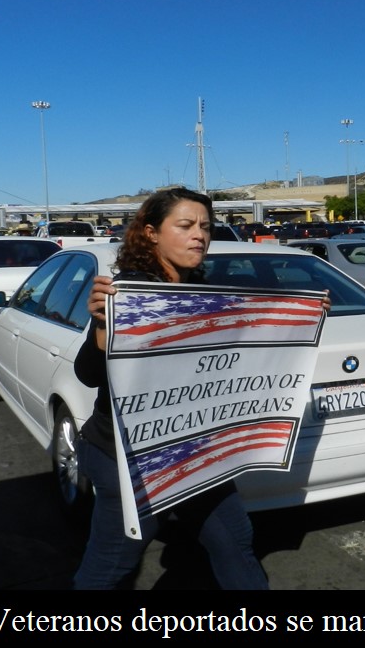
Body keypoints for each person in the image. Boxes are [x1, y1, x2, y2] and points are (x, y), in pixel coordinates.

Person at [72, 187, 270, 590]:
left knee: (236, 543)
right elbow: (89, 374)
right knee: (113, 565)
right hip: (128, 458)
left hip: (198, 450)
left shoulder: (204, 290)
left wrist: (300, 318)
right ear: (151, 233)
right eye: (185, 225)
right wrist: (102, 323)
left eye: (205, 226)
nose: (199, 234)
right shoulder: (128, 293)